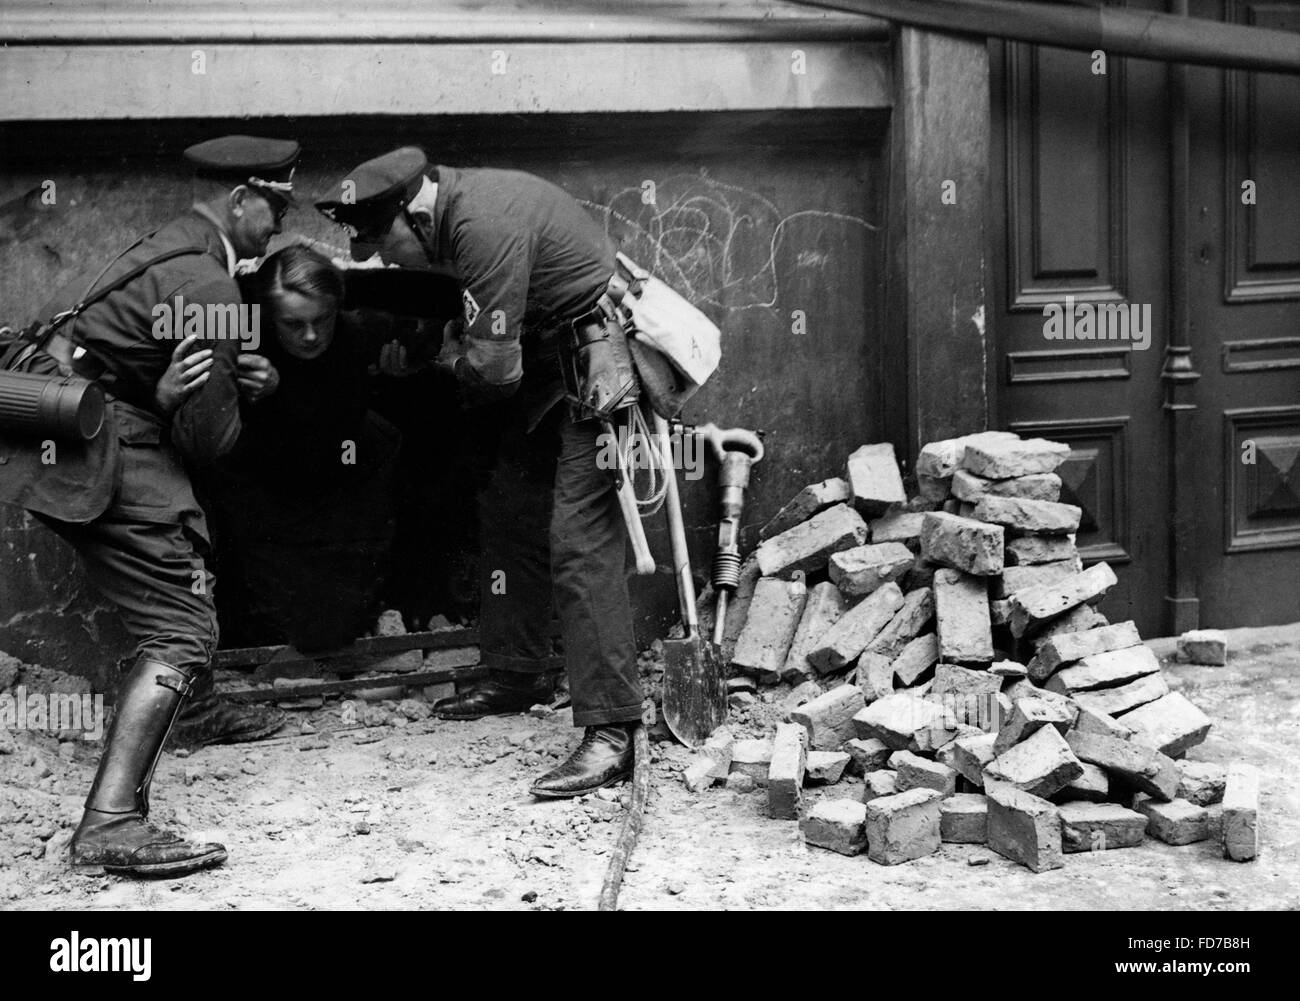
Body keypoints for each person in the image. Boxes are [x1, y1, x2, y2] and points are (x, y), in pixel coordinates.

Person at [0, 135, 298, 876]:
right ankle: (110, 822)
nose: (282, 225)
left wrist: (205, 382)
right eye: (277, 206)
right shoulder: (209, 286)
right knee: (181, 624)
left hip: (89, 418)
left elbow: (150, 361)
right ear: (240, 200)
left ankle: (193, 712)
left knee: (188, 561)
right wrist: (239, 395)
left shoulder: (160, 250)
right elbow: (208, 439)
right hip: (102, 440)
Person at [316, 148, 644, 797]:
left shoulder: (480, 224)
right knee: (509, 508)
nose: (386, 260)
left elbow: (495, 370)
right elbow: (481, 320)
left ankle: (614, 729)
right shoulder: (456, 212)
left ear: (413, 216)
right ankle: (520, 669)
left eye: (386, 244)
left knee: (581, 541)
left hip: (593, 369)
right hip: (549, 364)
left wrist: (441, 361)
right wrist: (430, 345)